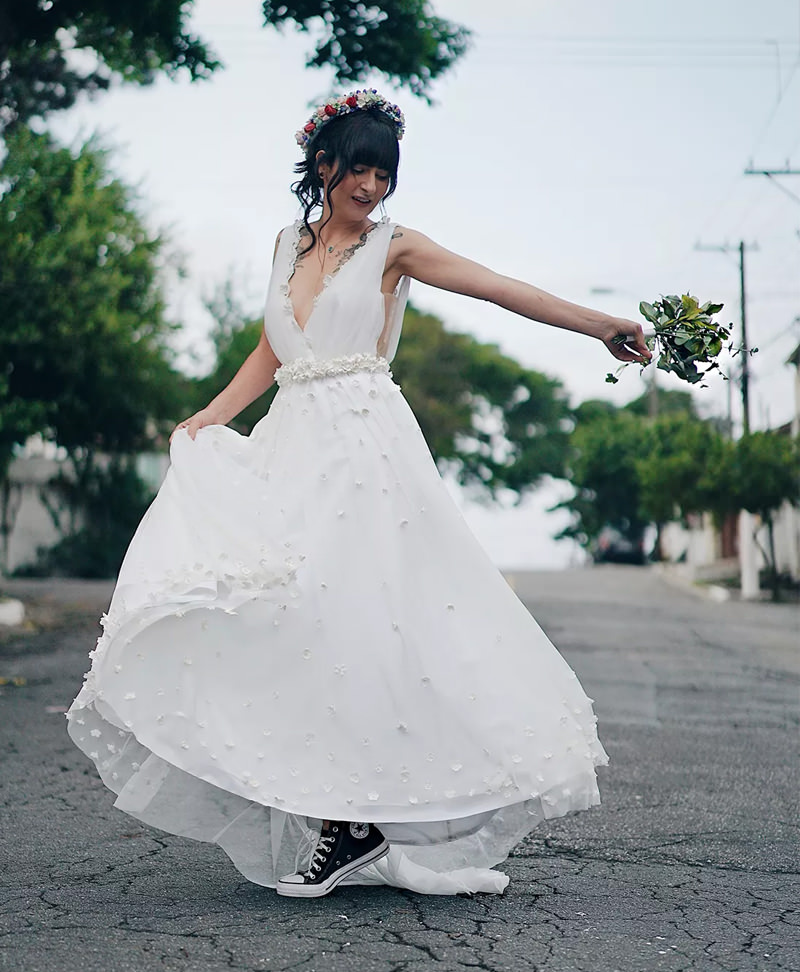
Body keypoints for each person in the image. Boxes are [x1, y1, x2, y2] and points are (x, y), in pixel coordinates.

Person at [67, 89, 650, 899]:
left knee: (368, 625)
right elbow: (272, 352)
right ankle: (354, 816)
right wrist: (211, 416)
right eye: (359, 168)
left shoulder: (395, 247)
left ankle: (359, 825)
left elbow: (495, 287)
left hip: (366, 449)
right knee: (291, 622)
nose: (371, 186)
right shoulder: (285, 244)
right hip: (292, 444)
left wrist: (597, 326)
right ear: (323, 164)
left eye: (384, 172)